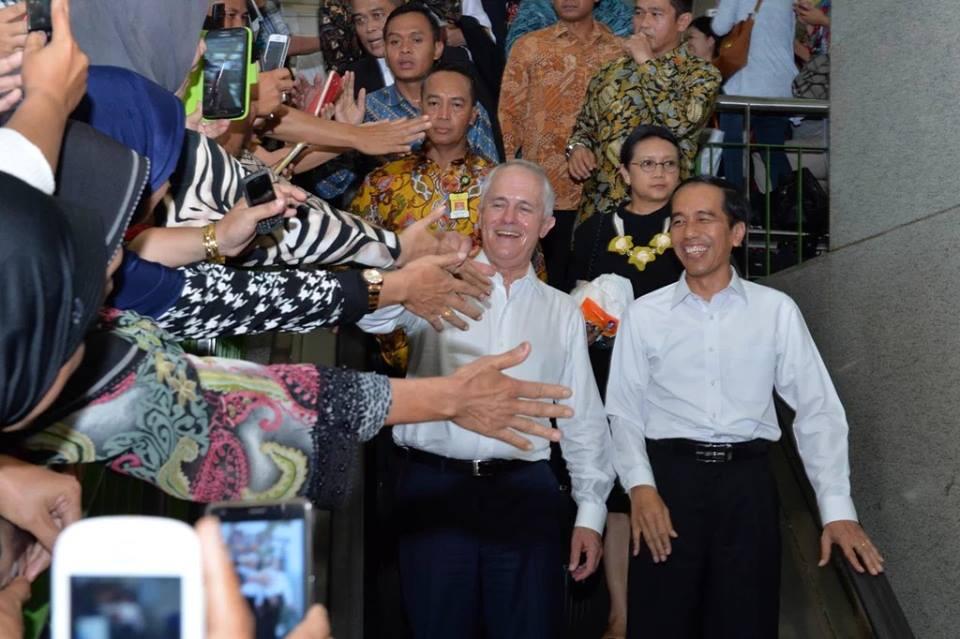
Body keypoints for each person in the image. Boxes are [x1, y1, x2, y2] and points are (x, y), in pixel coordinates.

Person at [606, 176, 885, 638]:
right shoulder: (645, 314)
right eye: (678, 221)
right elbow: (623, 411)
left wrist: (837, 509)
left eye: (704, 218)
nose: (689, 232)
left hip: (748, 488)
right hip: (667, 488)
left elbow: (818, 409)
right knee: (659, 622)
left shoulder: (775, 311)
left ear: (736, 232)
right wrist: (640, 487)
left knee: (746, 623)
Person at [358, 160, 614, 638]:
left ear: (546, 225)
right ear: (479, 216)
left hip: (526, 496)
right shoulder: (438, 282)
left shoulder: (562, 311)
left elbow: (583, 420)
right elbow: (370, 322)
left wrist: (591, 514)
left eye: (524, 208)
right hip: (433, 490)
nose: (509, 218)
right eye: (498, 204)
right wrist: (400, 270)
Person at [566, 124, 683, 639]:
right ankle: (620, 614)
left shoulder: (690, 225)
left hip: (673, 378)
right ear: (624, 173)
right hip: (606, 372)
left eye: (669, 164)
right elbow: (568, 296)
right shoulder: (595, 230)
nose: (659, 174)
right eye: (648, 164)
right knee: (615, 495)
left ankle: (664, 609)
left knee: (663, 487)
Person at [312, 2, 501, 200]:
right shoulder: (365, 109)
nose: (405, 49)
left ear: (437, 48)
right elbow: (330, 189)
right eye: (394, 42)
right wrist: (345, 134)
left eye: (416, 40)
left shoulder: (463, 106)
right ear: (384, 50)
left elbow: (494, 182)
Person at [498, 0, 623, 287]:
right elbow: (508, 118)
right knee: (542, 286)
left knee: (596, 292)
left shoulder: (617, 51)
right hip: (543, 192)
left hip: (599, 194)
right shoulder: (529, 47)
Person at [567, 0, 721, 226]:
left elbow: (680, 122)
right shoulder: (611, 71)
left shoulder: (702, 74)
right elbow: (584, 128)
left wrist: (645, 62)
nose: (644, 23)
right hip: (601, 211)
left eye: (656, 14)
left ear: (683, 22)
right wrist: (577, 149)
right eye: (639, 13)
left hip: (665, 215)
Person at [713, 0, 797, 191]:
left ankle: (735, 207)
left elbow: (719, 27)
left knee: (732, 149)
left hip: (744, 86)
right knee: (773, 151)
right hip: (778, 85)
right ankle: (791, 208)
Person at [345, 0, 403, 95]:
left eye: (377, 15)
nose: (369, 28)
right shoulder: (350, 80)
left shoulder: (433, 66)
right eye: (360, 20)